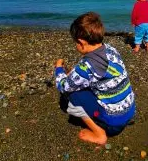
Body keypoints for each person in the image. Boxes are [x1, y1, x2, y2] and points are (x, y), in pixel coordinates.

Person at [54, 12, 136, 145]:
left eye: (75, 42)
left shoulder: (87, 67)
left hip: (113, 123)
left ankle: (99, 134)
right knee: (84, 84)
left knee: (73, 94)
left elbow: (63, 86)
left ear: (81, 43)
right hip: (129, 110)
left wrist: (58, 69)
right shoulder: (110, 50)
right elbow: (94, 74)